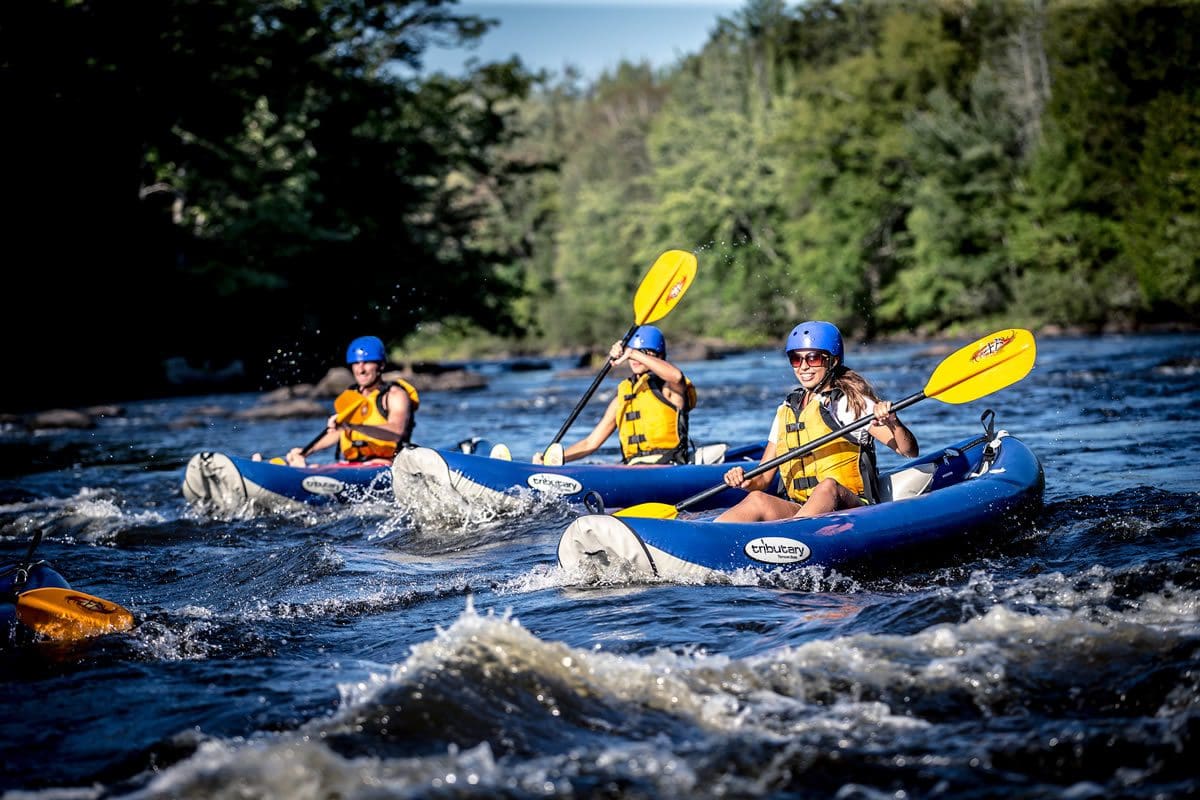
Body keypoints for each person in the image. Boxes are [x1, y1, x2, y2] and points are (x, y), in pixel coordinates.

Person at [715, 321, 917, 522]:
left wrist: (893, 422)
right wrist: (744, 480)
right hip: (802, 510)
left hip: (852, 509)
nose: (803, 367)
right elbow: (763, 479)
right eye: (796, 359)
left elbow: (908, 451)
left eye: (813, 358)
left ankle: (790, 541)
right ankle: (710, 538)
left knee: (827, 486)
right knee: (757, 499)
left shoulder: (850, 403)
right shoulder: (786, 409)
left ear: (833, 361)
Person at [534, 325, 697, 465]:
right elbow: (590, 443)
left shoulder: (669, 389)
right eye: (633, 352)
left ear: (660, 356)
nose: (634, 359)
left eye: (645, 352)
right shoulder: (622, 400)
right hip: (632, 468)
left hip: (668, 465)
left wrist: (633, 352)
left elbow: (676, 376)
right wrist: (555, 459)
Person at [284, 335, 420, 466]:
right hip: (353, 464)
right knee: (305, 463)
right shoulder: (350, 396)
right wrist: (305, 452)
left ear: (381, 365)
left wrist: (351, 426)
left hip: (386, 464)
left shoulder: (395, 395)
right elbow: (337, 432)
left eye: (366, 362)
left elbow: (396, 432)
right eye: (356, 363)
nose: (360, 369)